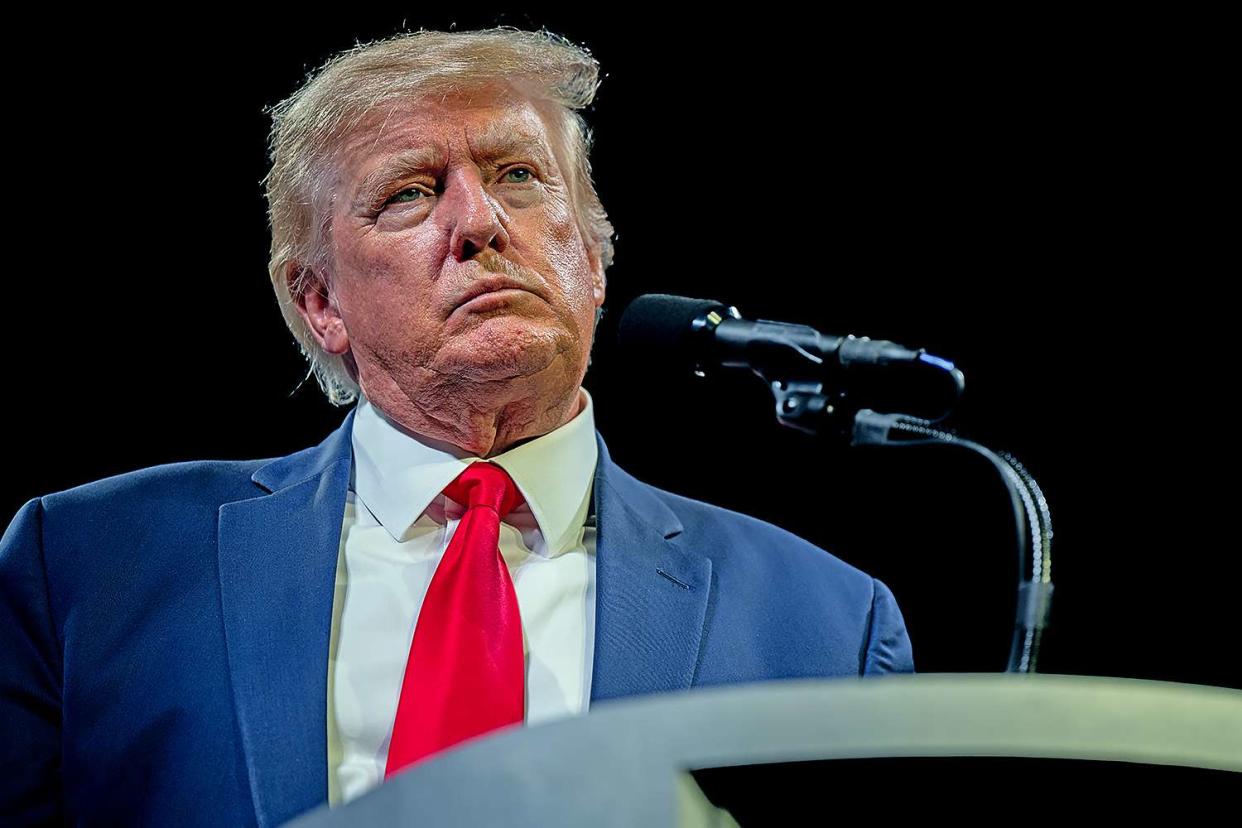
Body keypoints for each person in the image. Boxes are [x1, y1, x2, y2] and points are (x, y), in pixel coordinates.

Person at [0, 27, 913, 826]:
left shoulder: (824, 622)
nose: (479, 222)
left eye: (519, 176)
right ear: (320, 303)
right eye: (409, 192)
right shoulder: (92, 564)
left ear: (592, 263)